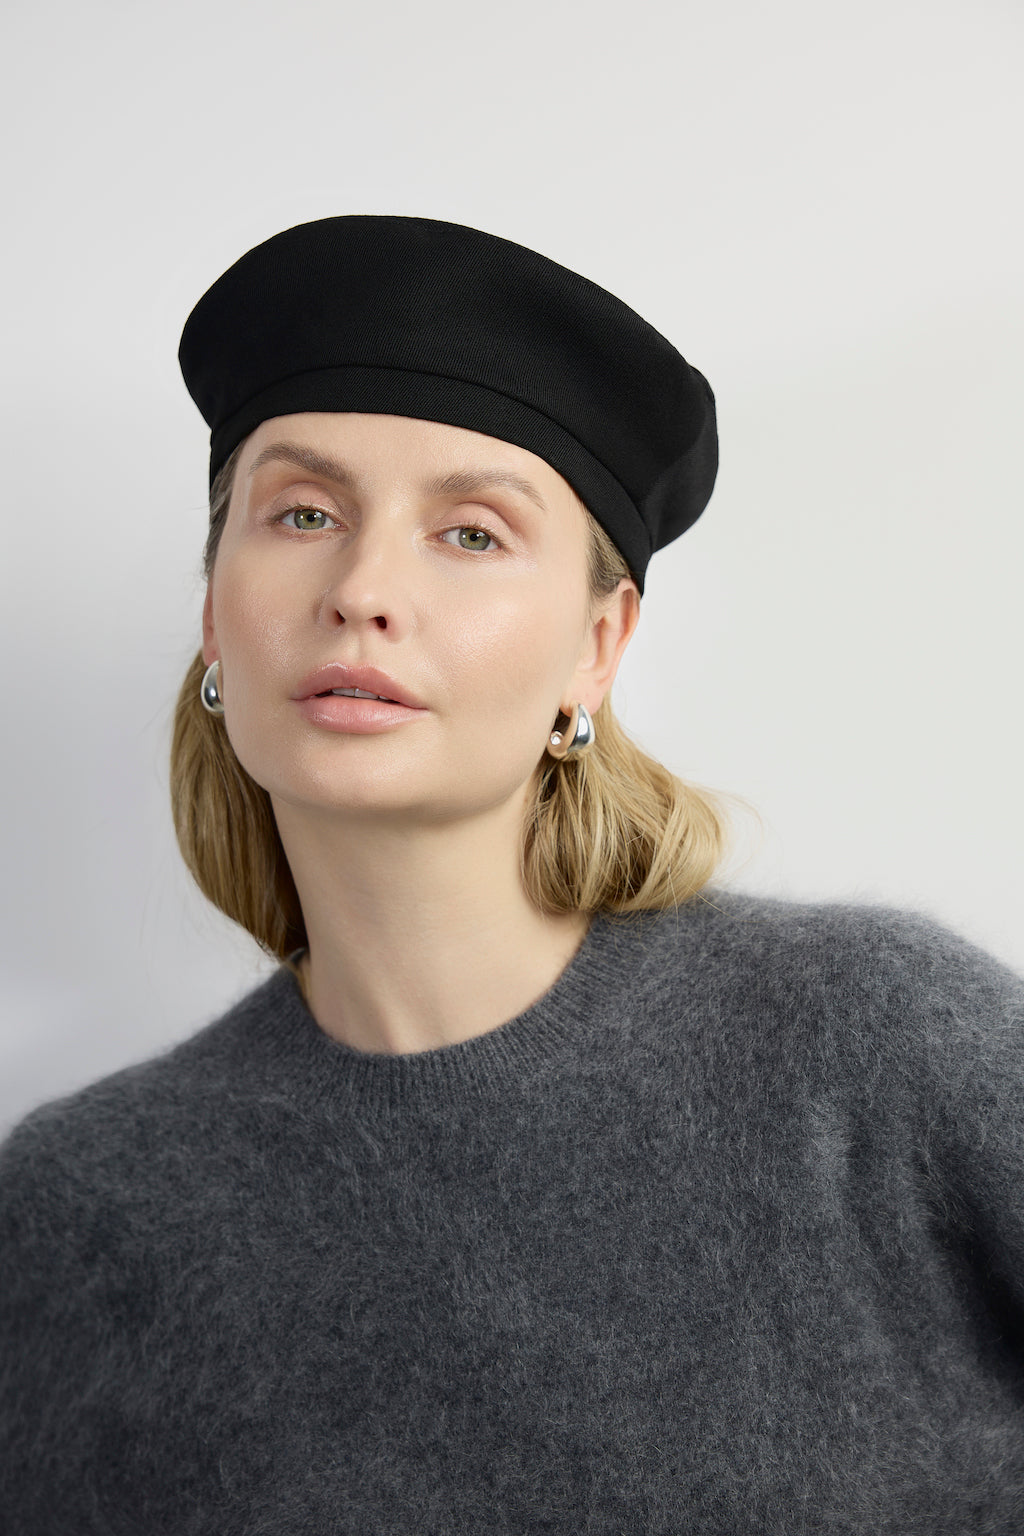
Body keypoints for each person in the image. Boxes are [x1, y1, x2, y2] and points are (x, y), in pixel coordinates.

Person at [1, 216, 1022, 1534]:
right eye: (303, 513)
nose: (363, 588)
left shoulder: (880, 1049)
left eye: (471, 533)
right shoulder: (83, 1211)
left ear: (597, 647)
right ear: (214, 614)